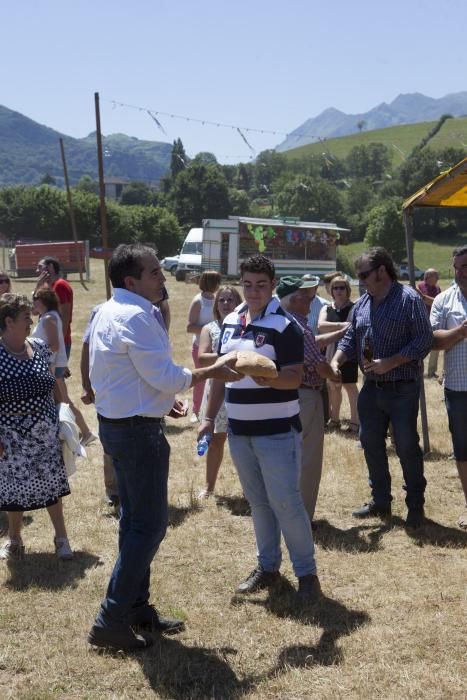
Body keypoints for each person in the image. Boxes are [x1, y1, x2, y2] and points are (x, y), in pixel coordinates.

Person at [87, 244, 241, 651]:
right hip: (136, 433)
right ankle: (112, 617)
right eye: (154, 272)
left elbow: (121, 371)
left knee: (135, 521)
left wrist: (157, 399)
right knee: (149, 525)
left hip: (121, 426)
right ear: (131, 281)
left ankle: (135, 608)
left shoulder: (108, 310)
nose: (163, 277)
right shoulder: (135, 315)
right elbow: (168, 376)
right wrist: (212, 369)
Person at [198, 255, 321, 602]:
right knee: (259, 502)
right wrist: (208, 418)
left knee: (286, 503)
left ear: (272, 286)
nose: (253, 292)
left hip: (278, 430)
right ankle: (267, 567)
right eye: (248, 284)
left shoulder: (286, 326)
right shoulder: (232, 321)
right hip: (239, 429)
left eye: (261, 285)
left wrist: (262, 374)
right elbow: (221, 375)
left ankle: (307, 575)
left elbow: (294, 378)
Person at [331, 247, 433, 528]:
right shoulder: (363, 303)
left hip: (402, 387)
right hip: (372, 388)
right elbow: (351, 336)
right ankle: (381, 501)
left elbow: (424, 340)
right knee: (370, 443)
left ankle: (415, 506)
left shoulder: (409, 299)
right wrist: (337, 362)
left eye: (364, 275)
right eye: (358, 276)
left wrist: (392, 361)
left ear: (381, 271)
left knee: (406, 446)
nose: (360, 281)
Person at [0, 293, 73, 560]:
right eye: (24, 318)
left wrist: (63, 417)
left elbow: (53, 385)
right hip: (9, 436)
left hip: (44, 431)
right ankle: (14, 539)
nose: (31, 321)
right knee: (13, 491)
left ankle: (61, 538)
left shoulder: (40, 347)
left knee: (52, 487)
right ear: (8, 321)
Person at [276, 276, 342, 523]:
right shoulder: (299, 328)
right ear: (294, 300)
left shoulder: (281, 322)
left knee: (286, 456)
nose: (310, 299)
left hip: (285, 396)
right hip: (306, 395)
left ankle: (285, 513)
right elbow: (319, 364)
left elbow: (314, 344)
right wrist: (334, 375)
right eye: (305, 296)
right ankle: (301, 517)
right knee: (308, 460)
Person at [31, 288, 97, 448]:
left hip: (50, 367)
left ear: (44, 300)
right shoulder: (47, 317)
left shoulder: (48, 319)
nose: (33, 302)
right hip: (51, 366)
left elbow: (54, 346)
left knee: (64, 402)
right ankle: (83, 433)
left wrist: (42, 362)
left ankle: (86, 433)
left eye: (36, 298)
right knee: (62, 402)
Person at [431, 246, 467, 530]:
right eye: (457, 267)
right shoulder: (444, 300)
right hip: (458, 387)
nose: (461, 271)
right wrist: (463, 330)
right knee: (463, 450)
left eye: (465, 265)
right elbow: (434, 340)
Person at [197, 285, 243, 498]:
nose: (226, 304)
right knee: (215, 440)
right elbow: (202, 357)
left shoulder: (245, 325)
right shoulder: (209, 328)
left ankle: (249, 488)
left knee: (243, 441)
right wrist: (228, 356)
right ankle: (209, 486)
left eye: (230, 300)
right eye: (222, 300)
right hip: (216, 388)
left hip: (241, 387)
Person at [80, 303, 119, 508]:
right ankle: (113, 490)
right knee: (110, 443)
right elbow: (87, 345)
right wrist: (86, 385)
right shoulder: (99, 311)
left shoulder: (153, 309)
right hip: (109, 391)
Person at [318, 276, 359, 433]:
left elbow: (353, 328)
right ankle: (334, 420)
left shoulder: (354, 307)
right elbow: (321, 326)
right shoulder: (327, 308)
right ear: (331, 290)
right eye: (335, 288)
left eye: (342, 287)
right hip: (330, 352)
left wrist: (333, 328)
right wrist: (342, 326)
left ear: (347, 289)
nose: (339, 291)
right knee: (333, 386)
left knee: (349, 386)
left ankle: (355, 422)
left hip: (348, 352)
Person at [186, 271, 222, 422]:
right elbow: (190, 327)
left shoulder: (217, 299)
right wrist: (209, 330)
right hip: (200, 347)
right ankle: (195, 411)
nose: (219, 285)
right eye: (217, 282)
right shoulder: (198, 301)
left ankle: (210, 410)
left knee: (216, 379)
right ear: (211, 283)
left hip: (215, 348)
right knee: (201, 379)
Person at [36, 257, 73, 360]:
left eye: (40, 267)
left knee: (57, 375)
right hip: (51, 341)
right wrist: (38, 285)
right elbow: (34, 311)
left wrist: (61, 347)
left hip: (59, 342)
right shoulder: (49, 286)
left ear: (50, 267)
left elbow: (65, 317)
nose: (37, 270)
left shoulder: (60, 285)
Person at [417, 268, 442, 378]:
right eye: (435, 276)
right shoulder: (419, 287)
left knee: (435, 347)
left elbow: (439, 303)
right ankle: (416, 369)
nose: (437, 278)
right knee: (419, 346)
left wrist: (426, 298)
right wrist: (429, 300)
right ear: (428, 277)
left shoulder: (437, 288)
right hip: (421, 321)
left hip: (434, 321)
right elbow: (421, 299)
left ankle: (431, 372)